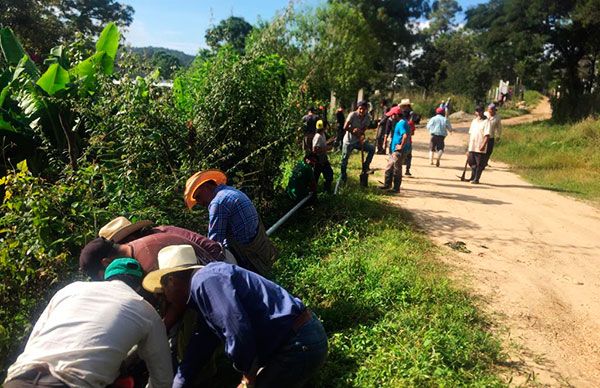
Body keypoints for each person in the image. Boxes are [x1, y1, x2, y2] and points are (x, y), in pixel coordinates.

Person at [143, 245, 328, 388]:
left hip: (298, 345)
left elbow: (237, 329)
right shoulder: (205, 286)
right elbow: (200, 346)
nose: (165, 297)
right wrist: (179, 383)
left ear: (172, 281)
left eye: (163, 291)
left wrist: (248, 375)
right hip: (300, 342)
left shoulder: (205, 281)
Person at [4, 258, 172, 388]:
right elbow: (163, 378)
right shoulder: (146, 310)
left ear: (106, 276)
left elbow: (34, 338)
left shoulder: (70, 290)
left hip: (19, 378)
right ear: (138, 286)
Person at [184, 169, 277, 275]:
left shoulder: (218, 203)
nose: (199, 202)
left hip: (249, 256)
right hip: (259, 247)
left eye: (198, 197)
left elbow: (213, 243)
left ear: (206, 187)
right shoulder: (229, 191)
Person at [340, 100, 375, 182]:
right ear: (357, 108)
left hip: (358, 141)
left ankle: (365, 167)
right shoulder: (352, 115)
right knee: (344, 160)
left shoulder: (367, 117)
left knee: (372, 149)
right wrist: (353, 130)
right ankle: (343, 177)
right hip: (348, 141)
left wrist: (361, 134)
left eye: (364, 109)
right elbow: (345, 127)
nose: (362, 111)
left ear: (366, 109)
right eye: (360, 109)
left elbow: (364, 129)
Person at [379, 107, 411, 193]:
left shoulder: (401, 124)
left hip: (399, 151)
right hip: (396, 150)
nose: (391, 117)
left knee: (396, 169)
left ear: (396, 115)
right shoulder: (403, 122)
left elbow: (405, 135)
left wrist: (401, 146)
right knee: (390, 167)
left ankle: (396, 188)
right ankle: (387, 184)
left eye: (392, 115)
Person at [467, 106, 490, 184]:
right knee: (471, 162)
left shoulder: (486, 121)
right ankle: (472, 176)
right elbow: (470, 134)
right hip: (472, 145)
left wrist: (483, 145)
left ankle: (476, 179)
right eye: (477, 111)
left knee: (479, 164)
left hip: (480, 145)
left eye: (480, 111)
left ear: (483, 111)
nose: (478, 113)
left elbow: (487, 135)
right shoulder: (474, 121)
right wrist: (468, 146)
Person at [312, 119, 334, 193]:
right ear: (324, 127)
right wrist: (327, 148)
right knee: (315, 179)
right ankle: (312, 195)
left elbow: (322, 145)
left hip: (323, 160)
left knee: (329, 174)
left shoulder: (323, 134)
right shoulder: (318, 136)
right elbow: (315, 150)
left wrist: (329, 142)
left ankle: (326, 191)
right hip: (318, 161)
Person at [399, 99, 416, 176]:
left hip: (399, 139)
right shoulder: (410, 120)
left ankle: (399, 171)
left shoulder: (399, 119)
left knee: (400, 155)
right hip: (408, 140)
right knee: (408, 155)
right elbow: (412, 132)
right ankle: (407, 170)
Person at [483, 103, 502, 168]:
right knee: (482, 149)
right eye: (488, 110)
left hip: (491, 136)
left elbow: (499, 127)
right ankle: (481, 162)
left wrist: (498, 136)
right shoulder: (485, 114)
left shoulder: (497, 117)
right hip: (483, 136)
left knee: (489, 150)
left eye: (491, 110)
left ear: (494, 110)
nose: (489, 111)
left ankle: (485, 162)